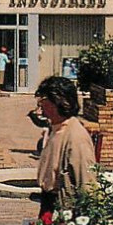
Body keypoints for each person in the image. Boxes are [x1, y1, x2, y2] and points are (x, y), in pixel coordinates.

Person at [35, 76, 96, 215]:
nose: (40, 104)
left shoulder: (75, 137)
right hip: (48, 204)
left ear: (60, 102)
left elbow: (87, 183)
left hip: (62, 209)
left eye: (45, 100)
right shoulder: (55, 128)